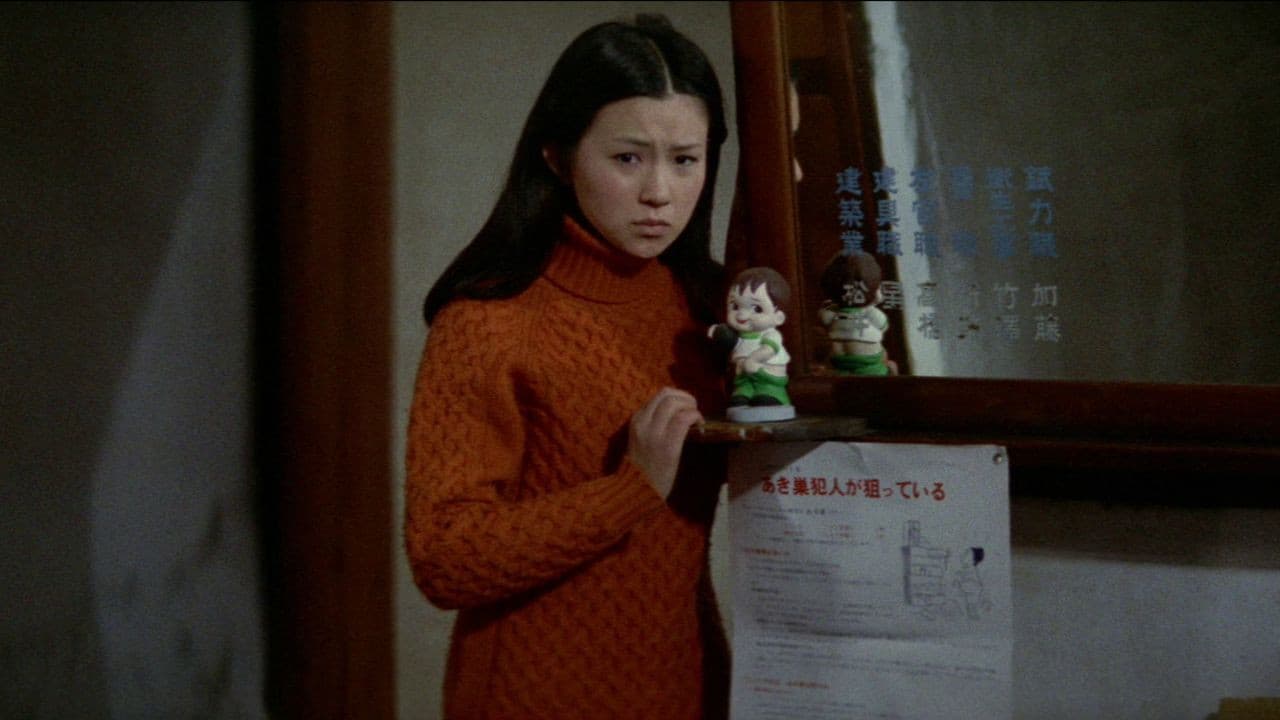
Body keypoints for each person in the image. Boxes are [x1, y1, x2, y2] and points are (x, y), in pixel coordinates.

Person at [405, 15, 730, 720]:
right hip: (529, 698)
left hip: (688, 687)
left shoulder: (708, 311)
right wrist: (630, 491)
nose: (660, 192)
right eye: (628, 158)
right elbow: (442, 557)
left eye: (685, 159)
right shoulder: (489, 319)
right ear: (557, 156)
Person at [708, 267, 795, 422]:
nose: (742, 315)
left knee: (766, 394)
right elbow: (729, 344)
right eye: (735, 306)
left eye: (756, 308)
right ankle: (744, 393)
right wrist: (718, 334)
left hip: (767, 375)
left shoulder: (770, 334)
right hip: (744, 377)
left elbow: (769, 349)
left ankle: (773, 394)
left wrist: (754, 359)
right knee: (740, 395)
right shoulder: (738, 335)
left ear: (778, 317)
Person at [818, 250, 897, 376]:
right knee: (889, 364)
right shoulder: (870, 313)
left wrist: (832, 304)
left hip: (839, 364)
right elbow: (883, 325)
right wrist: (873, 302)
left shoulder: (831, 313)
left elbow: (824, 317)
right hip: (870, 367)